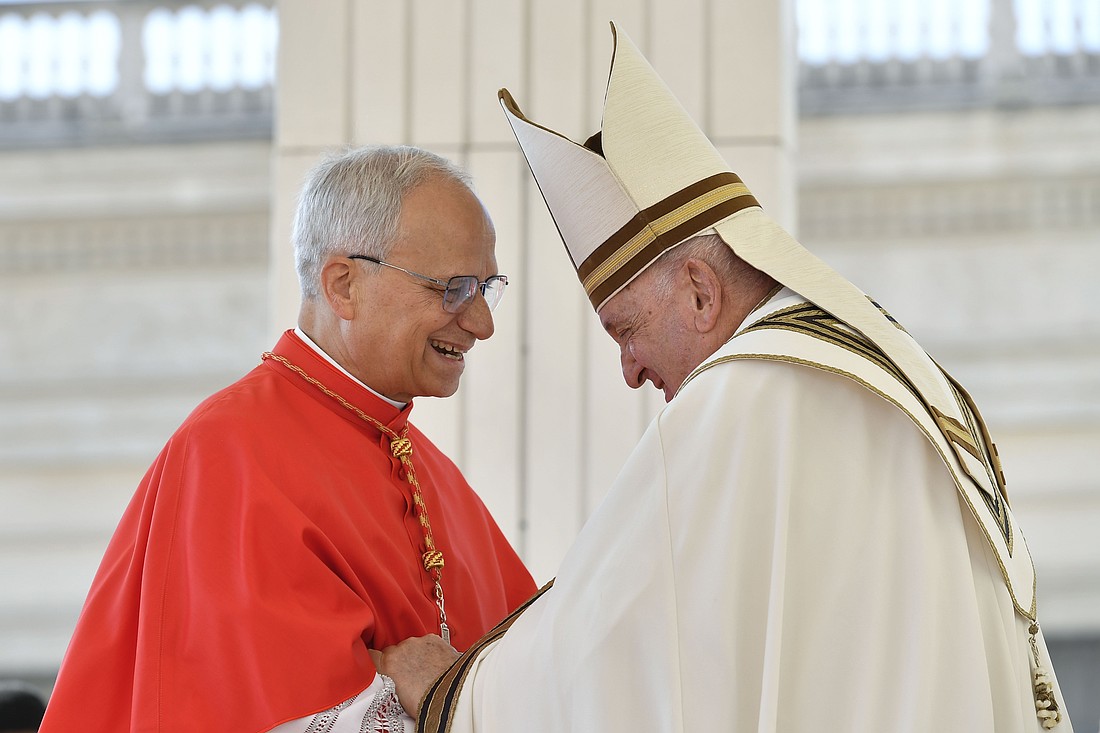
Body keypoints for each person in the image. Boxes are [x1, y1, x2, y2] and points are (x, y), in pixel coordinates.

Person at [376, 23, 1074, 733]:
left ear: (702, 293)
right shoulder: (889, 373)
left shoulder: (748, 398)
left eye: (626, 329)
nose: (630, 370)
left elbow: (615, 642)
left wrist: (453, 693)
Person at [39, 145, 536, 733]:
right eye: (454, 288)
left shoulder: (433, 474)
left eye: (486, 288)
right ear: (343, 285)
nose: (482, 323)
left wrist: (448, 691)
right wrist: (445, 700)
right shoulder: (231, 457)